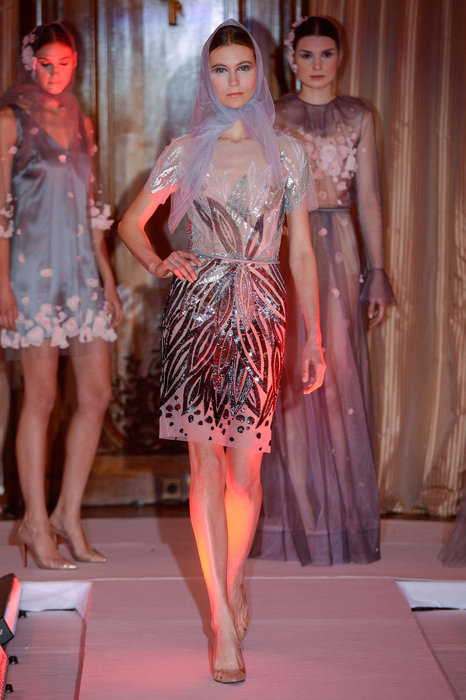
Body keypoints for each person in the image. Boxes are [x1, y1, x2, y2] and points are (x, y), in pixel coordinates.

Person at [118, 19, 325, 683]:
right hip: (196, 314)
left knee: (244, 476)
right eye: (220, 70)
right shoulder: (186, 150)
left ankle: (232, 581)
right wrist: (161, 261)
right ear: (206, 78)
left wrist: (315, 334)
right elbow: (130, 224)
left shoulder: (287, 154)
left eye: (243, 68)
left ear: (259, 72)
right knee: (204, 470)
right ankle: (220, 620)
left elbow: (302, 252)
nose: (232, 81)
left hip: (261, 314)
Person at [251, 16, 395, 566]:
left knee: (337, 383)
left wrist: (378, 269)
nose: (316, 65)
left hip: (340, 249)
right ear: (292, 58)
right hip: (287, 247)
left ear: (341, 56)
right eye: (306, 54)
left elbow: (370, 198)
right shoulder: (275, 114)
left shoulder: (359, 115)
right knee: (287, 383)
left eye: (326, 54)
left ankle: (341, 522)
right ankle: (295, 519)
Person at [0, 22, 122, 569]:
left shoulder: (81, 119)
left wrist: (107, 275)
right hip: (29, 277)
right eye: (45, 63)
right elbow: (0, 211)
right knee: (42, 396)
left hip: (80, 274)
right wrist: (1, 284)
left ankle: (66, 515)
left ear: (76, 63)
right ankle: (32, 520)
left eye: (64, 63)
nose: (54, 73)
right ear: (31, 62)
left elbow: (93, 205)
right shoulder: (10, 120)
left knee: (96, 393)